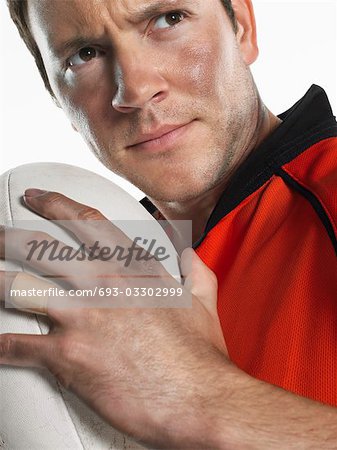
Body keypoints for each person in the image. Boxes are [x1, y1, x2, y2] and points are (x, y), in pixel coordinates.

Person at [1, 0, 337, 448]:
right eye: (84, 53)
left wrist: (204, 397)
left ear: (241, 27)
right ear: (56, 97)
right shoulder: (91, 266)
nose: (134, 90)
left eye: (168, 19)